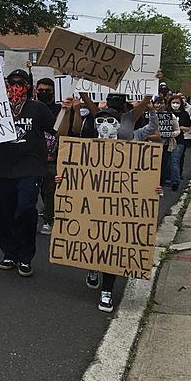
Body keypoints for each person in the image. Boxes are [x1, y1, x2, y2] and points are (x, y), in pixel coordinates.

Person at [59, 104, 163, 312]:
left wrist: (153, 188)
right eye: (100, 121)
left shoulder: (131, 145)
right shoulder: (85, 149)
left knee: (113, 243)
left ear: (119, 125)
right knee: (94, 237)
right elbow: (76, 173)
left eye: (110, 121)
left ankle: (107, 290)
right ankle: (93, 266)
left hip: (117, 206)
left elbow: (143, 175)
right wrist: (64, 179)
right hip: (92, 204)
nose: (105, 126)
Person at [0, 68, 63, 277]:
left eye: (20, 82)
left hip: (31, 167)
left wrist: (71, 110)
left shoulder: (38, 108)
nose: (16, 86)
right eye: (12, 82)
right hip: (3, 168)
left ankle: (26, 256)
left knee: (26, 208)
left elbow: (58, 130)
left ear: (29, 87)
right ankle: (9, 253)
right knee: (6, 212)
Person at [35, 77, 61, 235]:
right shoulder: (32, 107)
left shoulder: (60, 109)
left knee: (50, 188)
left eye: (48, 91)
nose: (44, 93)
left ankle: (48, 219)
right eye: (41, 90)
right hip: (35, 157)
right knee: (41, 189)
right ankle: (48, 209)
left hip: (54, 156)